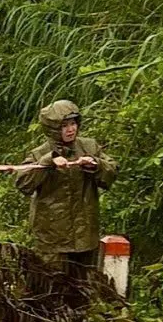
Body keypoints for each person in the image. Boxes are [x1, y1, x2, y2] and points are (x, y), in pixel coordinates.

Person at [14, 99, 118, 271]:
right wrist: (47, 162)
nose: (71, 129)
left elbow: (112, 171)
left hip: (85, 235)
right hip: (52, 238)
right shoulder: (39, 153)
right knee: (51, 287)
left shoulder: (89, 147)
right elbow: (23, 184)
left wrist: (96, 164)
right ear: (53, 129)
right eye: (64, 126)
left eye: (73, 123)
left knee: (85, 287)